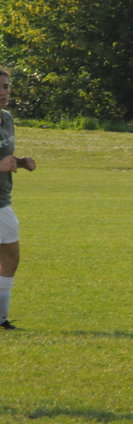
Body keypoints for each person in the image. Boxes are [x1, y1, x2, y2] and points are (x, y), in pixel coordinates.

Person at [0, 67, 37, 331]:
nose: (3, 93)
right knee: (10, 259)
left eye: (6, 87)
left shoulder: (7, 119)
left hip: (3, 201)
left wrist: (22, 162)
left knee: (10, 259)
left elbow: (5, 159)